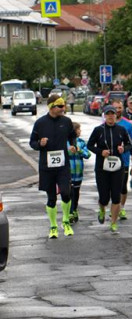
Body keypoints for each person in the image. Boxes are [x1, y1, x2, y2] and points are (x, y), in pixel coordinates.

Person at [29, 95, 78, 238]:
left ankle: (66, 222)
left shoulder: (67, 121)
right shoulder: (40, 123)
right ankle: (53, 226)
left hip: (63, 165)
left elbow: (72, 136)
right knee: (51, 198)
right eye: (60, 106)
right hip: (47, 166)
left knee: (66, 193)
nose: (63, 108)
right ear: (51, 107)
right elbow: (32, 142)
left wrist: (73, 145)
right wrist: (40, 144)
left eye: (64, 106)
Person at [87, 105, 132, 233]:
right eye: (108, 114)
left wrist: (124, 149)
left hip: (118, 166)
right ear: (104, 115)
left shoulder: (121, 129)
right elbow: (90, 145)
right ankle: (102, 209)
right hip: (102, 167)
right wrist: (100, 152)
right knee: (104, 197)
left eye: (113, 114)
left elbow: (129, 144)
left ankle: (113, 222)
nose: (111, 116)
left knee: (116, 196)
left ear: (116, 115)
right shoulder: (98, 130)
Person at [112, 100, 132, 221]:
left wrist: (126, 148)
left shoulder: (127, 124)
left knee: (122, 186)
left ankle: (121, 208)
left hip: (124, 160)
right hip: (110, 160)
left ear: (123, 108)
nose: (117, 110)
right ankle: (113, 207)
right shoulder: (107, 123)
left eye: (119, 107)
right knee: (111, 186)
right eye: (115, 107)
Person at [67, 122, 91, 224]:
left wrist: (79, 150)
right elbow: (63, 153)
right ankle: (70, 212)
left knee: (76, 193)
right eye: (78, 129)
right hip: (68, 173)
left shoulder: (81, 142)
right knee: (69, 193)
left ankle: (75, 209)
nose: (80, 131)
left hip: (78, 173)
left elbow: (87, 154)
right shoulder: (65, 142)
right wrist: (70, 150)